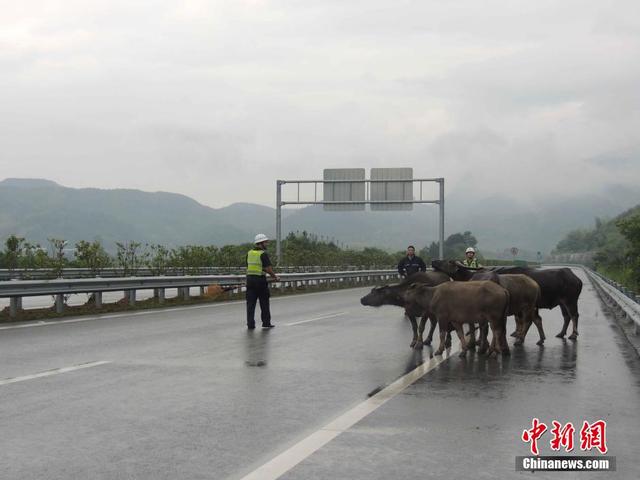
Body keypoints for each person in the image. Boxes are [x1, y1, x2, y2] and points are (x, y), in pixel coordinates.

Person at [246, 234, 279, 329]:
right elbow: (268, 269)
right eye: (265, 242)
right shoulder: (263, 254)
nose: (267, 244)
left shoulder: (249, 253)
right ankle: (266, 323)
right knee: (264, 302)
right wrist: (275, 277)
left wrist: (248, 281)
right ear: (260, 243)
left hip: (250, 280)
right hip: (260, 281)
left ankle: (250, 324)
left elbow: (249, 267)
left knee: (250, 304)